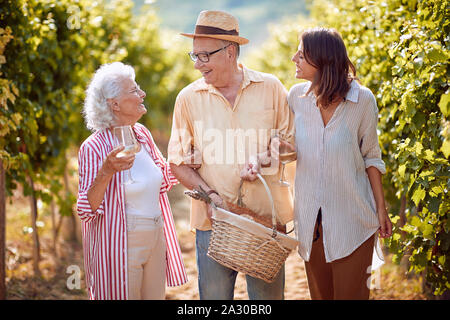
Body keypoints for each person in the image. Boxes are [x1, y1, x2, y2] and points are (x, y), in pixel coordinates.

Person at [167, 10, 295, 300]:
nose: (198, 64)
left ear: (230, 51)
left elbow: (292, 144)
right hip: (214, 224)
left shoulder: (271, 87)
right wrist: (211, 196)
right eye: (194, 56)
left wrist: (267, 156)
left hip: (266, 224)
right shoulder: (187, 99)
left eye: (204, 56)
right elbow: (177, 162)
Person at [286, 27, 392, 299]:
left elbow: (371, 156)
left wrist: (381, 209)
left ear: (322, 59)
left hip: (353, 219)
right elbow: (286, 146)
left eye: (301, 53)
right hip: (311, 222)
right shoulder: (296, 98)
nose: (294, 58)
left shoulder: (362, 100)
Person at [77, 62, 187, 300]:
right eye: (134, 90)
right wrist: (105, 172)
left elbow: (163, 179)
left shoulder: (141, 134)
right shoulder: (93, 147)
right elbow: (86, 209)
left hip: (156, 234)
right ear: (114, 104)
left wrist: (189, 159)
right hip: (122, 240)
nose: (143, 94)